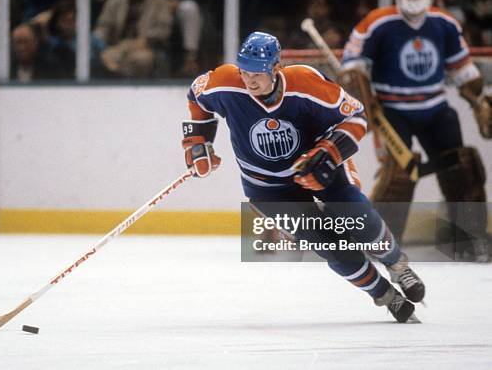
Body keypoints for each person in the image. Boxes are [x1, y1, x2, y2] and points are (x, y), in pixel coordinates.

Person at [181, 31, 426, 323]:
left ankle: (397, 265)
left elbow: (357, 116)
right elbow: (196, 96)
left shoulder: (305, 82)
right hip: (267, 188)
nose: (249, 81)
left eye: (256, 73)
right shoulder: (225, 83)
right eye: (244, 72)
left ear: (275, 68)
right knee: (329, 245)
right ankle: (384, 294)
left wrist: (330, 154)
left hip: (318, 167)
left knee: (357, 218)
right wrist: (198, 145)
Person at [340, 0, 491, 261]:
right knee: (398, 175)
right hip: (394, 110)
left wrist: (479, 99)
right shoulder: (377, 22)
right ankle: (381, 242)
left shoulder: (445, 23)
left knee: (462, 167)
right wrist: (361, 97)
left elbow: (461, 68)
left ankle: (468, 239)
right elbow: (352, 67)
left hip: (435, 107)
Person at [93, 0, 174, 78]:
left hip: (146, 47)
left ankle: (129, 90)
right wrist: (98, 43)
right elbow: (103, 27)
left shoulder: (160, 2)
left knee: (141, 59)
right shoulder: (114, 2)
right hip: (118, 46)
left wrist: (145, 40)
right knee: (107, 56)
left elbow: (164, 31)